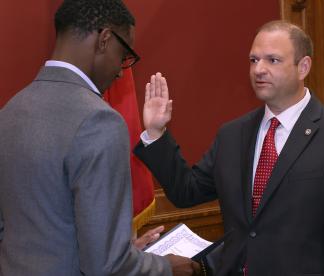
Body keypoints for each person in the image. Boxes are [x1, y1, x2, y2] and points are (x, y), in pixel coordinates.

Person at [134, 21, 324, 275]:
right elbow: (187, 191)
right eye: (254, 60)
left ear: (303, 67)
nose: (259, 70)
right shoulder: (233, 134)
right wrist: (155, 133)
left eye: (272, 60)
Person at [0, 0, 199, 275]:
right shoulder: (99, 121)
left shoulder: (10, 111)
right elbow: (107, 266)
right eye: (124, 54)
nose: (120, 70)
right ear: (105, 39)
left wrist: (125, 252)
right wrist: (166, 268)